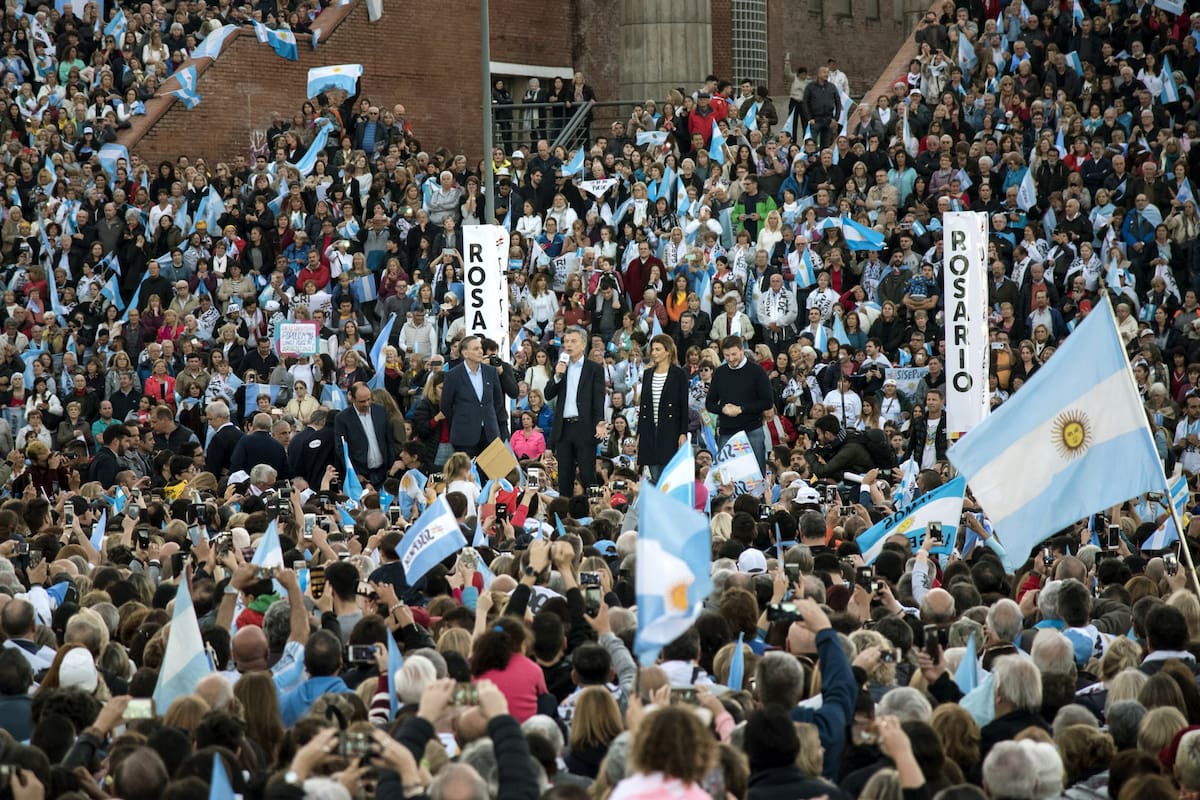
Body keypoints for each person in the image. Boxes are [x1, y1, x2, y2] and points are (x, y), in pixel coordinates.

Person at [543, 327, 606, 493]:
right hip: (564, 428)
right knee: (564, 476)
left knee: (587, 474)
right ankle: (565, 514)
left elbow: (599, 398)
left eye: (573, 341)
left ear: (583, 344)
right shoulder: (560, 367)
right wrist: (557, 376)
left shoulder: (594, 369)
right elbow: (548, 394)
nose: (568, 345)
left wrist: (600, 422)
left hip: (584, 426)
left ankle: (593, 509)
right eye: (566, 342)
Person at [705, 335, 773, 469]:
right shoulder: (720, 373)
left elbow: (767, 402)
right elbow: (710, 403)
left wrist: (741, 409)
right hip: (727, 431)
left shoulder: (757, 371)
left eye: (734, 354)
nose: (730, 359)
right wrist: (723, 409)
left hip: (752, 430)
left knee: (756, 473)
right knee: (726, 473)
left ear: (742, 350)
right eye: (726, 355)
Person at [440, 335, 508, 458]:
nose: (481, 351)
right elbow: (445, 406)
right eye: (476, 349)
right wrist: (461, 419)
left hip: (490, 434)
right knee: (467, 475)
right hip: (464, 436)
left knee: (493, 475)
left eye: (480, 348)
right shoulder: (453, 376)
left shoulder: (491, 372)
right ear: (465, 353)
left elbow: (498, 401)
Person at [636, 334, 690, 480]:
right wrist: (639, 434)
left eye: (658, 349)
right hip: (649, 430)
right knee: (653, 476)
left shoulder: (679, 374)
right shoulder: (647, 374)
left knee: (669, 475)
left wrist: (683, 432)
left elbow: (683, 406)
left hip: (670, 430)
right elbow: (643, 406)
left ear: (668, 351)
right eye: (652, 349)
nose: (654, 353)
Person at [334, 381, 396, 487]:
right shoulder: (342, 418)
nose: (367, 404)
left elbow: (388, 440)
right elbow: (342, 449)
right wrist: (355, 473)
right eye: (362, 401)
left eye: (369, 399)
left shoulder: (380, 411)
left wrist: (391, 465)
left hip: (383, 472)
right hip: (361, 475)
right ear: (352, 399)